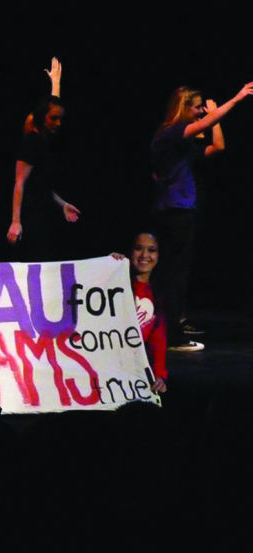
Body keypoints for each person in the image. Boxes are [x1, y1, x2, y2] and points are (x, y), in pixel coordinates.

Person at [151, 82, 253, 351]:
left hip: (181, 210)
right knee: (172, 274)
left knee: (177, 272)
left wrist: (213, 117)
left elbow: (217, 147)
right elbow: (203, 124)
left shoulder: (181, 143)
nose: (200, 113)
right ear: (185, 108)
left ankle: (172, 327)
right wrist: (236, 99)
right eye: (196, 109)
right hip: (174, 210)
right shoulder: (172, 134)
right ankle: (170, 337)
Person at [6, 57, 80, 261]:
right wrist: (15, 221)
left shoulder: (45, 141)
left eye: (60, 120)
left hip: (44, 211)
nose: (57, 123)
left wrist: (62, 203)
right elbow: (20, 183)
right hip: (29, 216)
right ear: (42, 118)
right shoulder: (32, 141)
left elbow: (41, 186)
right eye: (53, 119)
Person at [113, 232, 168, 394]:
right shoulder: (114, 284)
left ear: (158, 255)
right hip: (108, 366)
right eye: (138, 248)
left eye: (151, 250)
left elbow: (158, 340)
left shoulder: (158, 294)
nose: (144, 255)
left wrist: (159, 376)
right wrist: (107, 267)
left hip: (135, 372)